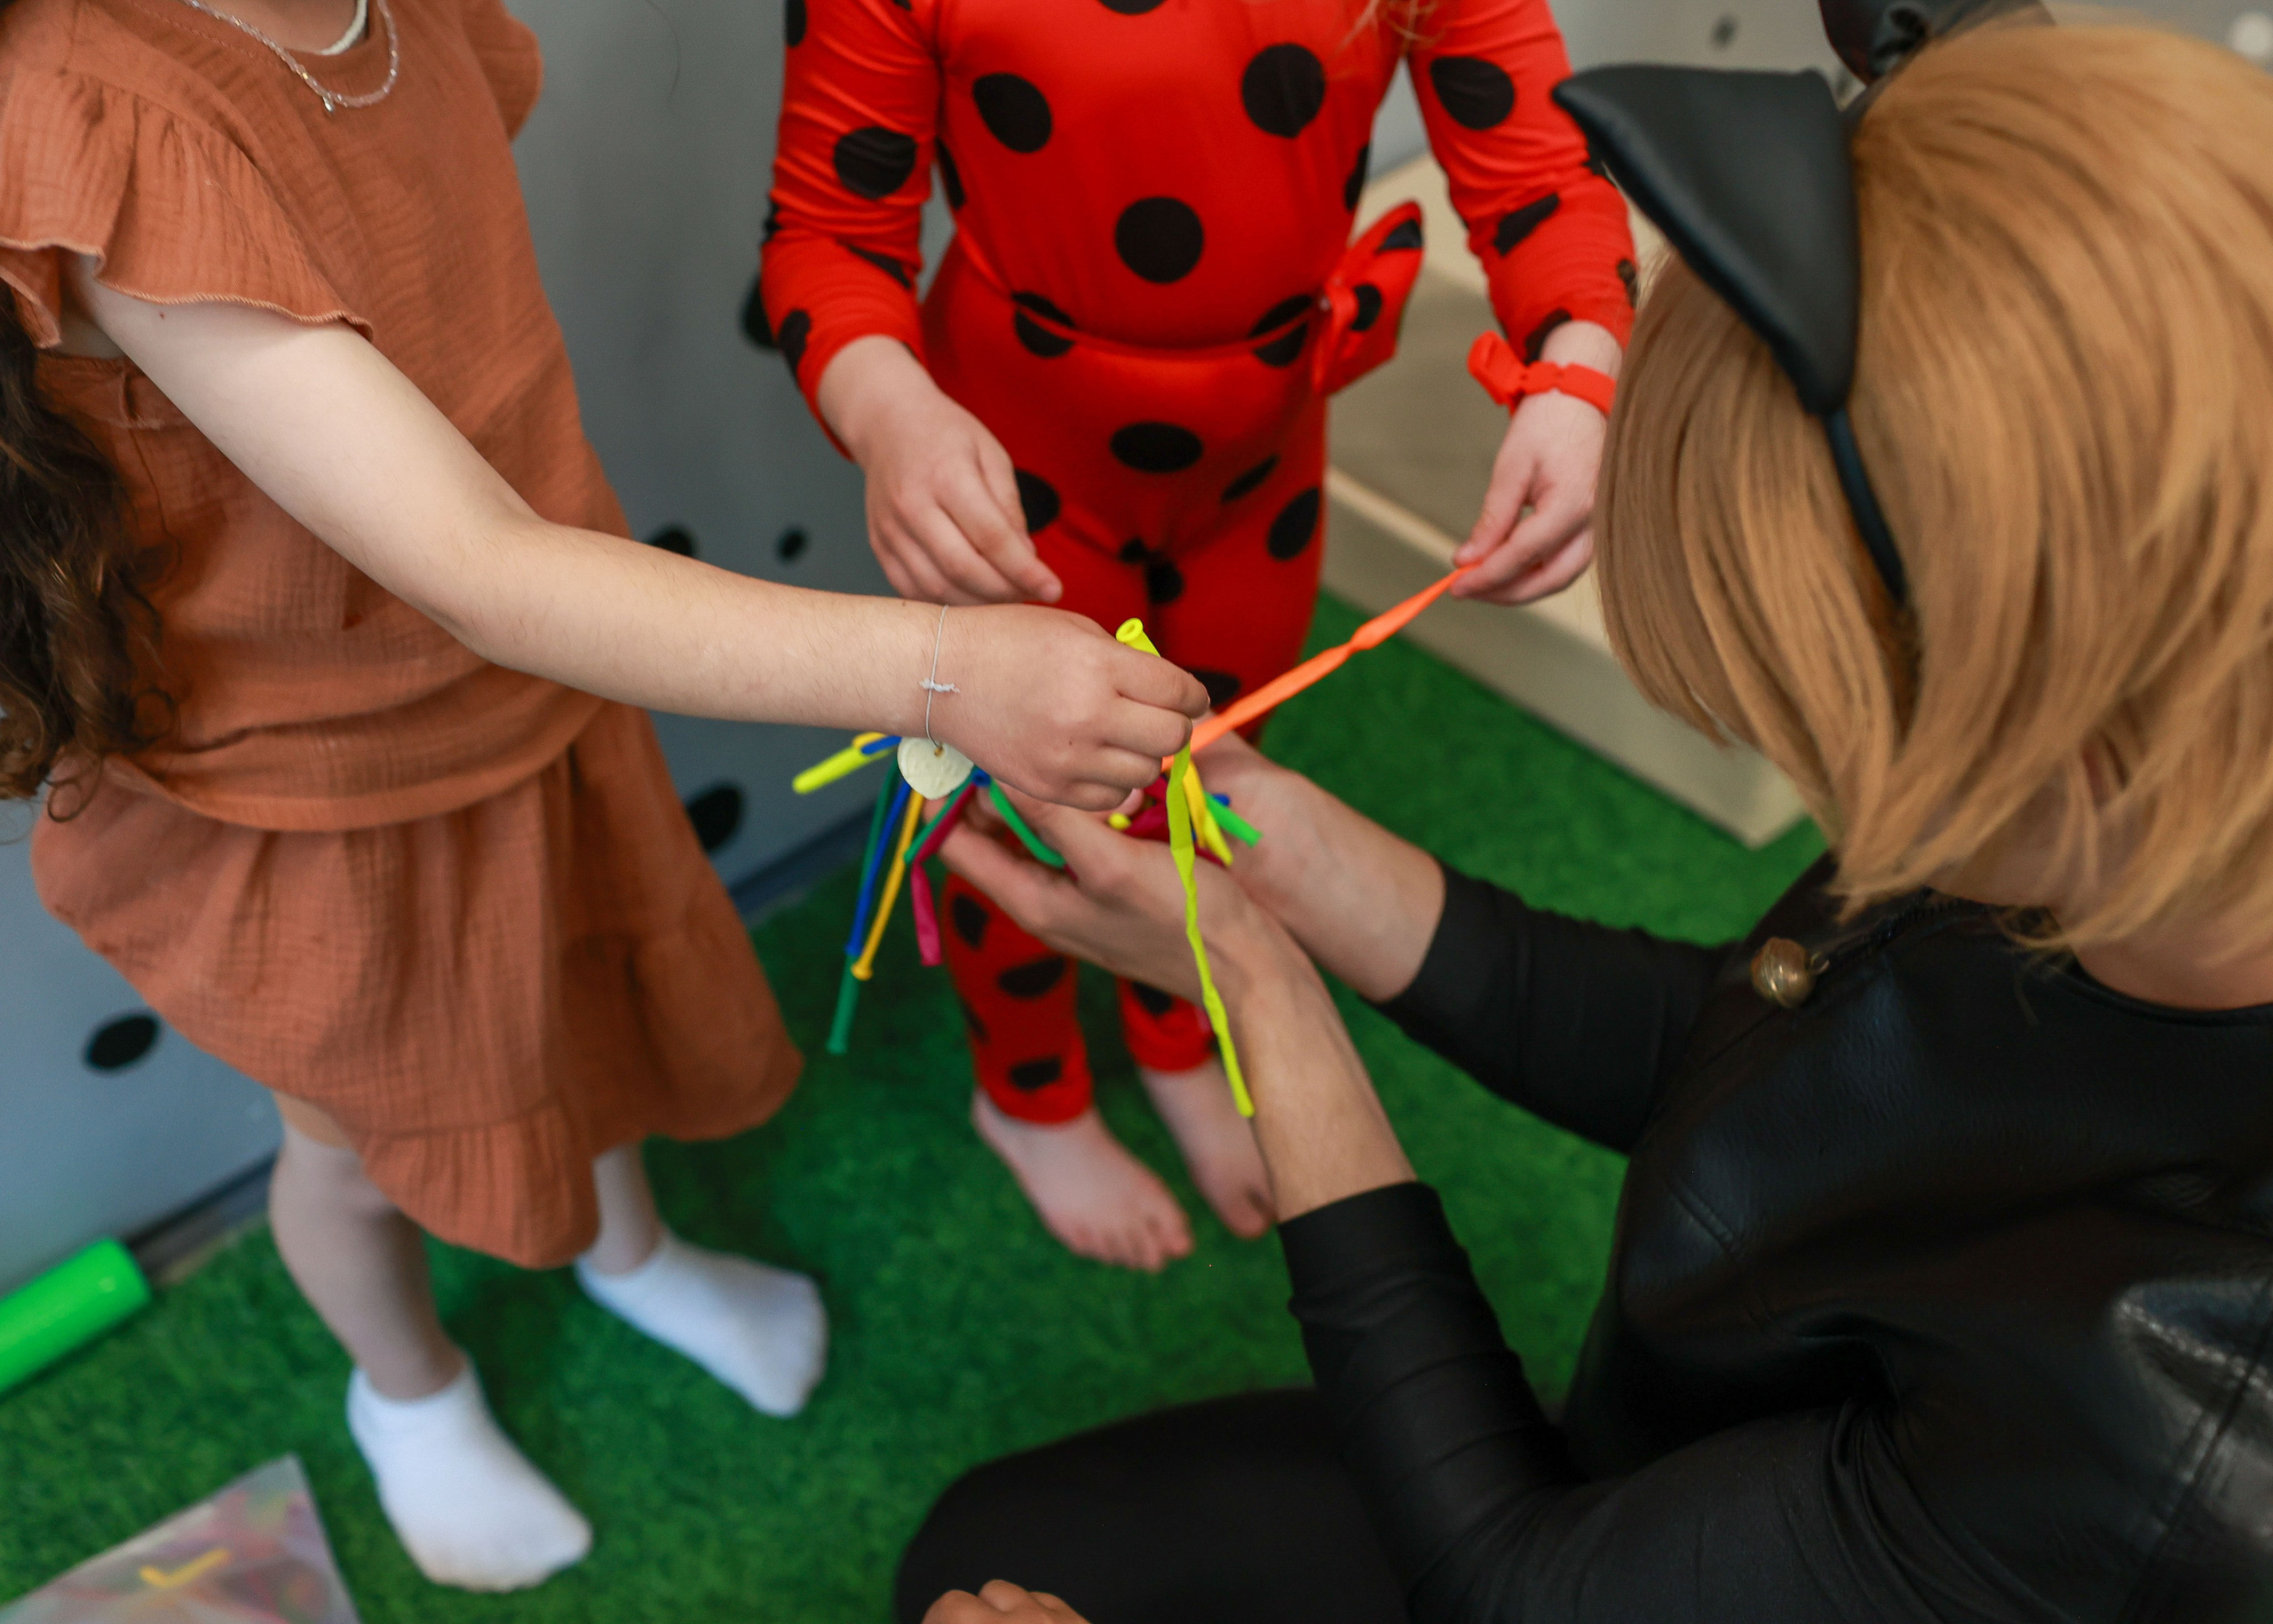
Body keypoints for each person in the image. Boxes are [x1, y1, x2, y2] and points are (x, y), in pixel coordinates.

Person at [899, 14, 2273, 1620]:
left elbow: (1521, 1588)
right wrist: (1302, 865)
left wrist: (1255, 985)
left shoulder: (2170, 1451)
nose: (1840, 824)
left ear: (2046, 751)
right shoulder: (2160, 817)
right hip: (1657, 1493)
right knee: (990, 1551)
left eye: (1817, 746)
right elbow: (1765, 1055)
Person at [0, 0, 1205, 1592]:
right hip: (322, 793)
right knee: (356, 1146)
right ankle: (408, 1390)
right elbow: (477, 567)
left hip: (542, 686)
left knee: (582, 994)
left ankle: (629, 1250)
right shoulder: (104, 113)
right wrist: (945, 667)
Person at [761, 0, 1637, 1273]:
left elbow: (1542, 165)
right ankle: (1030, 1092)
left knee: (1208, 777)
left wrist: (1580, 368)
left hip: (1260, 464)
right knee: (1016, 807)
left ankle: (1176, 1034)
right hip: (1013, 463)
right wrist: (890, 410)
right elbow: (828, 233)